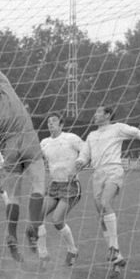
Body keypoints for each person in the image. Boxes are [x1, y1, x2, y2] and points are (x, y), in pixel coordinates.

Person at [0, 55, 45, 262]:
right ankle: (33, 227)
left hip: (11, 149)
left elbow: (2, 129)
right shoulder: (6, 89)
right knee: (39, 186)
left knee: (14, 196)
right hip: (30, 140)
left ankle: (12, 235)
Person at [75, 106, 140, 272]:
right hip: (97, 174)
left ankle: (114, 248)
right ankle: (117, 258)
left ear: (108, 115)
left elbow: (139, 132)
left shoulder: (117, 128)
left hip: (114, 169)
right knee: (101, 216)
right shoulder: (91, 135)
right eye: (95, 112)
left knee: (105, 202)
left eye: (98, 112)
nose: (95, 114)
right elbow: (84, 154)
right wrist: (80, 161)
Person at [38, 113, 84, 265]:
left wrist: (80, 161)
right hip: (54, 185)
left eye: (54, 121)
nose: (50, 124)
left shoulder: (71, 138)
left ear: (62, 125)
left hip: (70, 185)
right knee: (38, 216)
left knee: (57, 220)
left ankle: (72, 250)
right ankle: (43, 255)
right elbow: (36, 157)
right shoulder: (44, 142)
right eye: (48, 121)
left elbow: (86, 151)